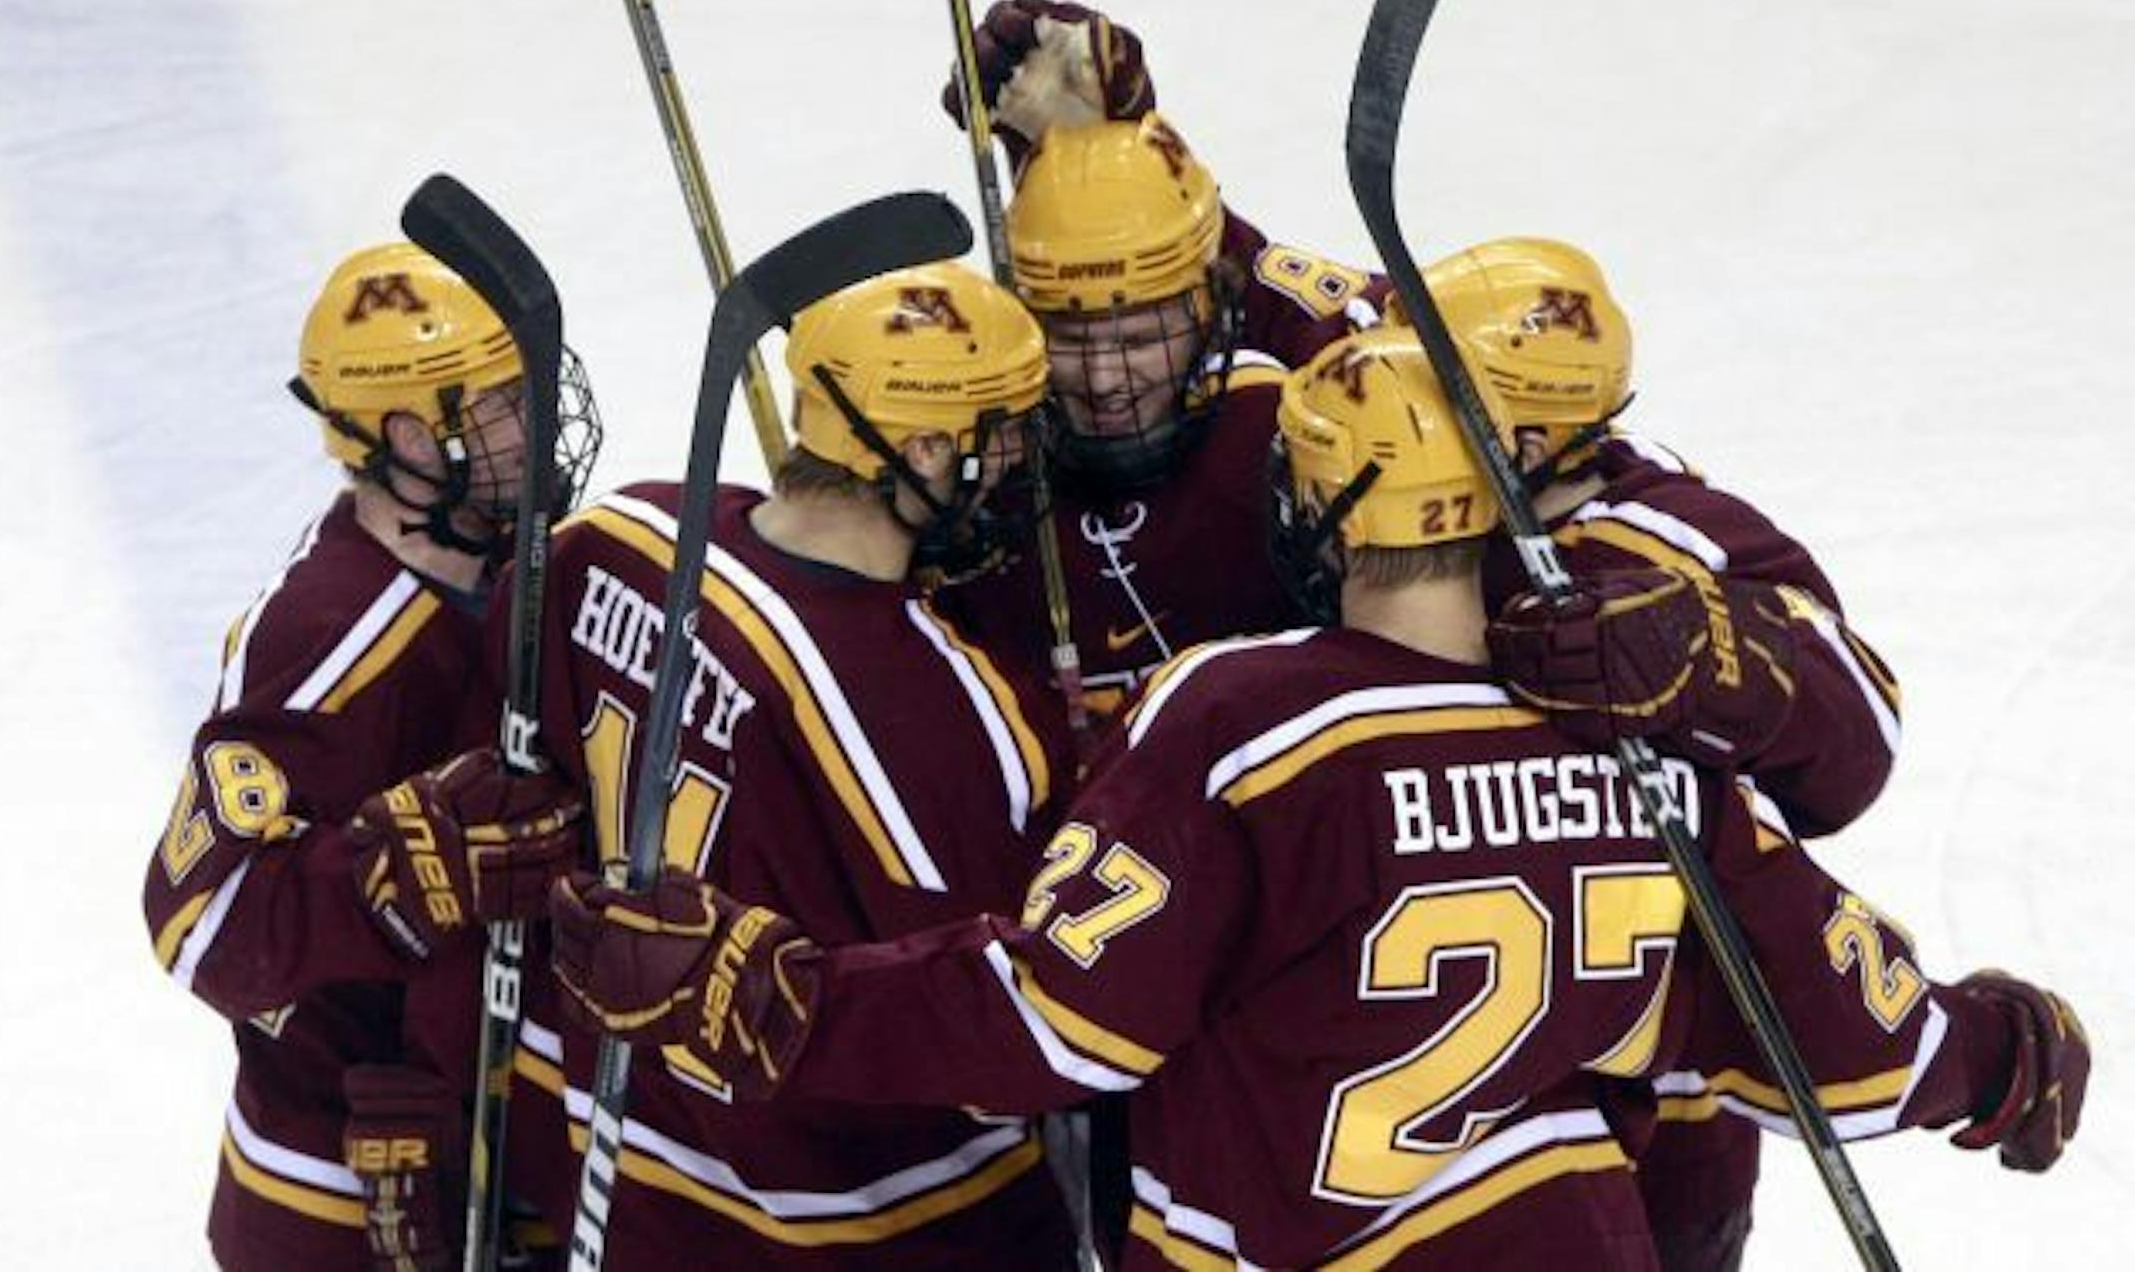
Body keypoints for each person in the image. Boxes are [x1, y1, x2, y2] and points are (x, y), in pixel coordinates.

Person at [545, 326, 2087, 1269]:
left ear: (1324, 507)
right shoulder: (1647, 746)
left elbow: (1059, 1020)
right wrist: (2001, 1053)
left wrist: (776, 998)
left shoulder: (1238, 723)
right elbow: (1850, 1025)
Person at [495, 261, 1083, 1266]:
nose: (1019, 462)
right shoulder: (946, 703)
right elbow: (1010, 1028)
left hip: (642, 1170)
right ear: (925, 447)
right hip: (876, 1223)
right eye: (1002, 432)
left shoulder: (617, 535)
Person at [1408, 237, 1906, 1269]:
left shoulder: (1677, 537)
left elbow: (1860, 731)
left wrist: (1701, 647)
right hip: (1431, 1071)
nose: (1399, 410)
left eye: (1436, 393)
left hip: (1652, 1072)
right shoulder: (1404, 512)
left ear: (1533, 432)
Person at [142, 240, 599, 1269]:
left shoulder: (517, 567)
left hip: (489, 1167)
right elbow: (194, 916)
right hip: (333, 1203)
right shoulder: (328, 634)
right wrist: (393, 874)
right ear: (407, 437)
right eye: (496, 406)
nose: (530, 429)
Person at [934, 0, 1389, 711]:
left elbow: (1445, 368)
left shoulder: (1281, 414)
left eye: (1143, 338)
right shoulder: (965, 455)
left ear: (1216, 302)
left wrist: (1131, 176)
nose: (1105, 381)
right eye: (1071, 341)